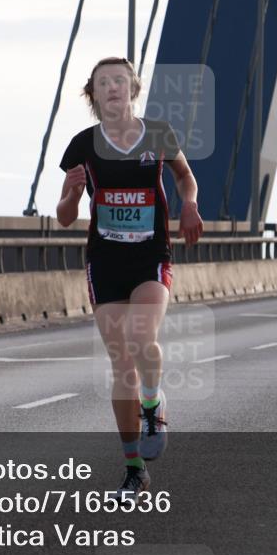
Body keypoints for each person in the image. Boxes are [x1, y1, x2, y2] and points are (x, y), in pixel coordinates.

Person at [56, 57, 203, 497]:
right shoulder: (82, 145)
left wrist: (190, 205)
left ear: (133, 89)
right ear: (93, 94)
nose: (112, 87)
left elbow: (185, 177)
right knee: (121, 362)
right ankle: (135, 468)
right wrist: (74, 194)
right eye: (103, 82)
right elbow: (64, 216)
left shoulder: (158, 134)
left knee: (141, 338)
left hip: (150, 257)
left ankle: (153, 403)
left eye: (119, 80)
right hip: (105, 262)